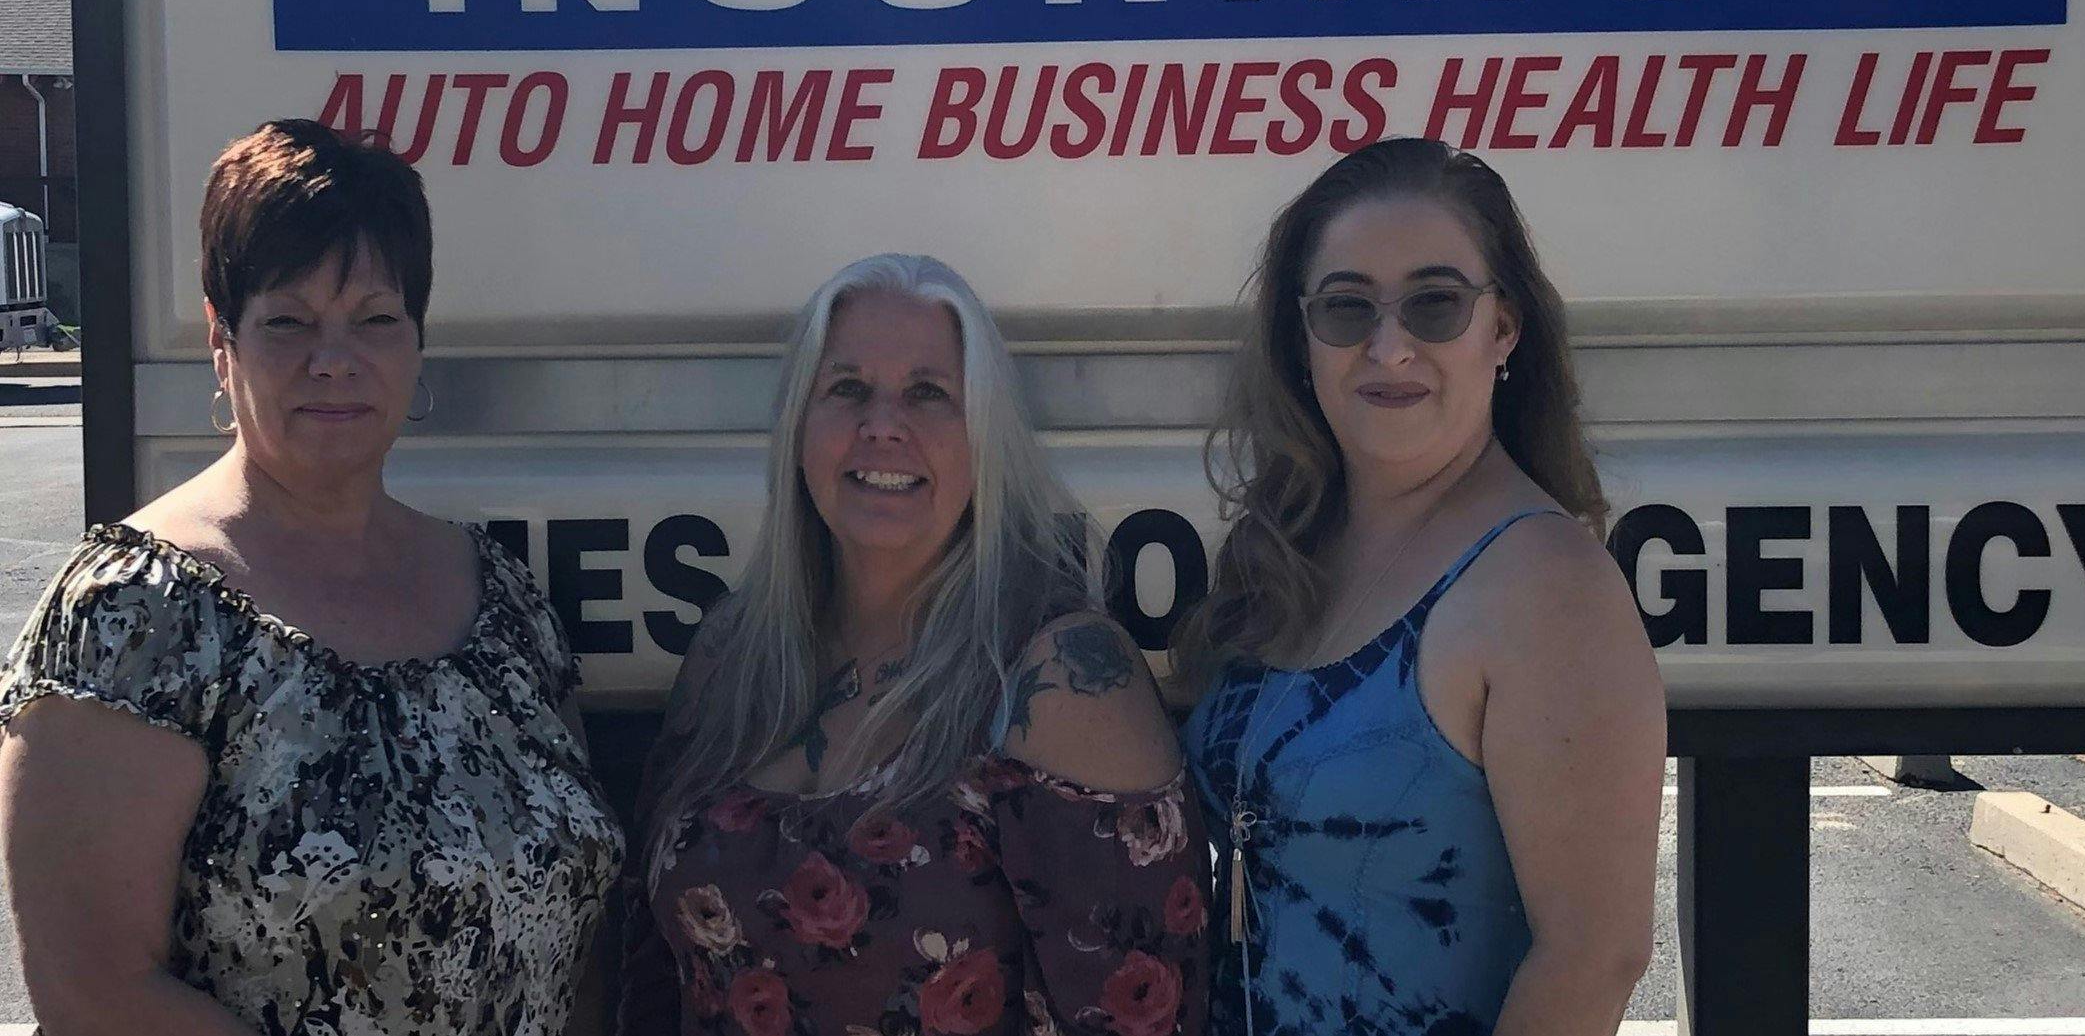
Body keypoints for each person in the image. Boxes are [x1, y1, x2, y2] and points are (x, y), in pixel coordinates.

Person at [0, 119, 623, 1035]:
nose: (335, 358)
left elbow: (580, 943)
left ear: (416, 343)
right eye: (288, 320)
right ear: (223, 339)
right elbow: (95, 994)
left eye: (376, 318)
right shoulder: (130, 613)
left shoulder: (501, 597)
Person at [621, 253, 1207, 1036]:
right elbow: (650, 974)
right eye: (847, 388)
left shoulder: (1061, 676)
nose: (883, 424)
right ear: (800, 429)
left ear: (984, 439)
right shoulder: (734, 651)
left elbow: (1144, 1018)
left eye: (928, 393)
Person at [1175, 137, 1664, 1036]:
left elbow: (1594, 957)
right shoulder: (1289, 550)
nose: (1389, 347)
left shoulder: (1544, 587)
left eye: (1435, 304)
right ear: (1303, 335)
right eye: (1346, 306)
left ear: (1504, 327)